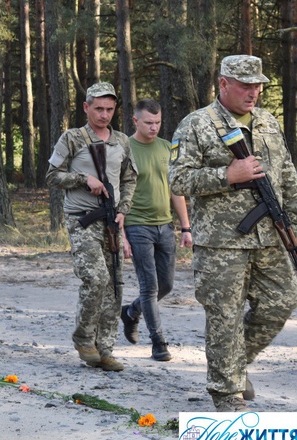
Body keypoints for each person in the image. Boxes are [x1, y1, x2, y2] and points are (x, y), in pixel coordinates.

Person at [169, 54, 297, 412]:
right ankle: (226, 394)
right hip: (221, 243)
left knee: (281, 302)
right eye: (245, 85)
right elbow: (178, 180)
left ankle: (236, 367)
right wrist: (227, 176)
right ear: (223, 83)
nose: (253, 91)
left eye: (258, 85)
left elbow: (287, 174)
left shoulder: (268, 122)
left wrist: (295, 224)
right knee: (224, 316)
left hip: (270, 236)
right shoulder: (197, 124)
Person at [45, 82, 138, 372]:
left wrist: (123, 210)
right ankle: (84, 337)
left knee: (114, 287)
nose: (104, 114)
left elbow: (130, 179)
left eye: (110, 109)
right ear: (86, 108)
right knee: (96, 279)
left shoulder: (121, 141)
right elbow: (52, 176)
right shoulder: (73, 138)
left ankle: (105, 349)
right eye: (99, 108)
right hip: (82, 218)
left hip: (111, 221)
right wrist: (84, 180)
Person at [119, 99, 193, 362]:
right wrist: (122, 235)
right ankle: (158, 343)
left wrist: (185, 227)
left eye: (158, 122)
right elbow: (117, 195)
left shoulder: (167, 148)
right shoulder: (124, 148)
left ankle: (131, 312)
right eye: (148, 123)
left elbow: (176, 189)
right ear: (135, 121)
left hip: (165, 226)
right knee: (149, 286)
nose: (154, 127)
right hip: (137, 225)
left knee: (167, 285)